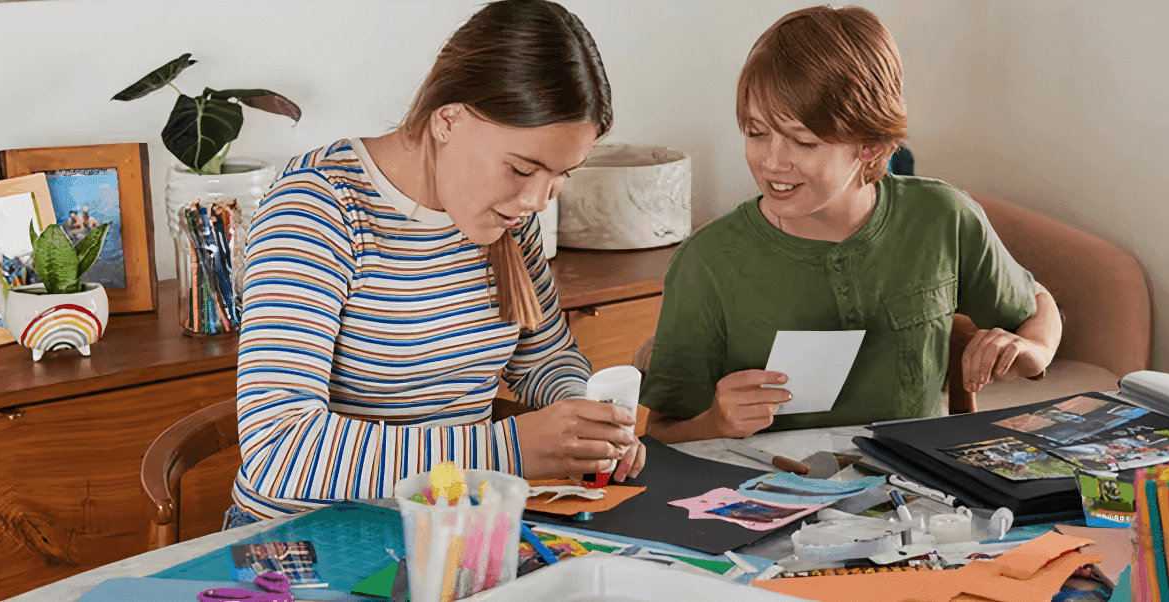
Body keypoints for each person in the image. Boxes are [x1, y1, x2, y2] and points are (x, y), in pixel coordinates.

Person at [229, 0, 640, 525]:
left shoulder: (506, 218)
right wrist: (509, 448)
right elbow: (278, 453)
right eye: (521, 168)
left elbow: (543, 359)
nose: (539, 199)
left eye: (563, 175)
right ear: (448, 118)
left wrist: (589, 422)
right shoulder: (318, 208)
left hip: (450, 528)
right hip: (305, 541)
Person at [641, 5, 1063, 443]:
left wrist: (1033, 351)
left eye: (804, 141)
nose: (771, 163)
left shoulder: (942, 217)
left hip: (913, 497)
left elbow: (1036, 302)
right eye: (755, 132)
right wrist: (716, 423)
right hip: (755, 497)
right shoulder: (707, 261)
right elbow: (659, 435)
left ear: (870, 144)